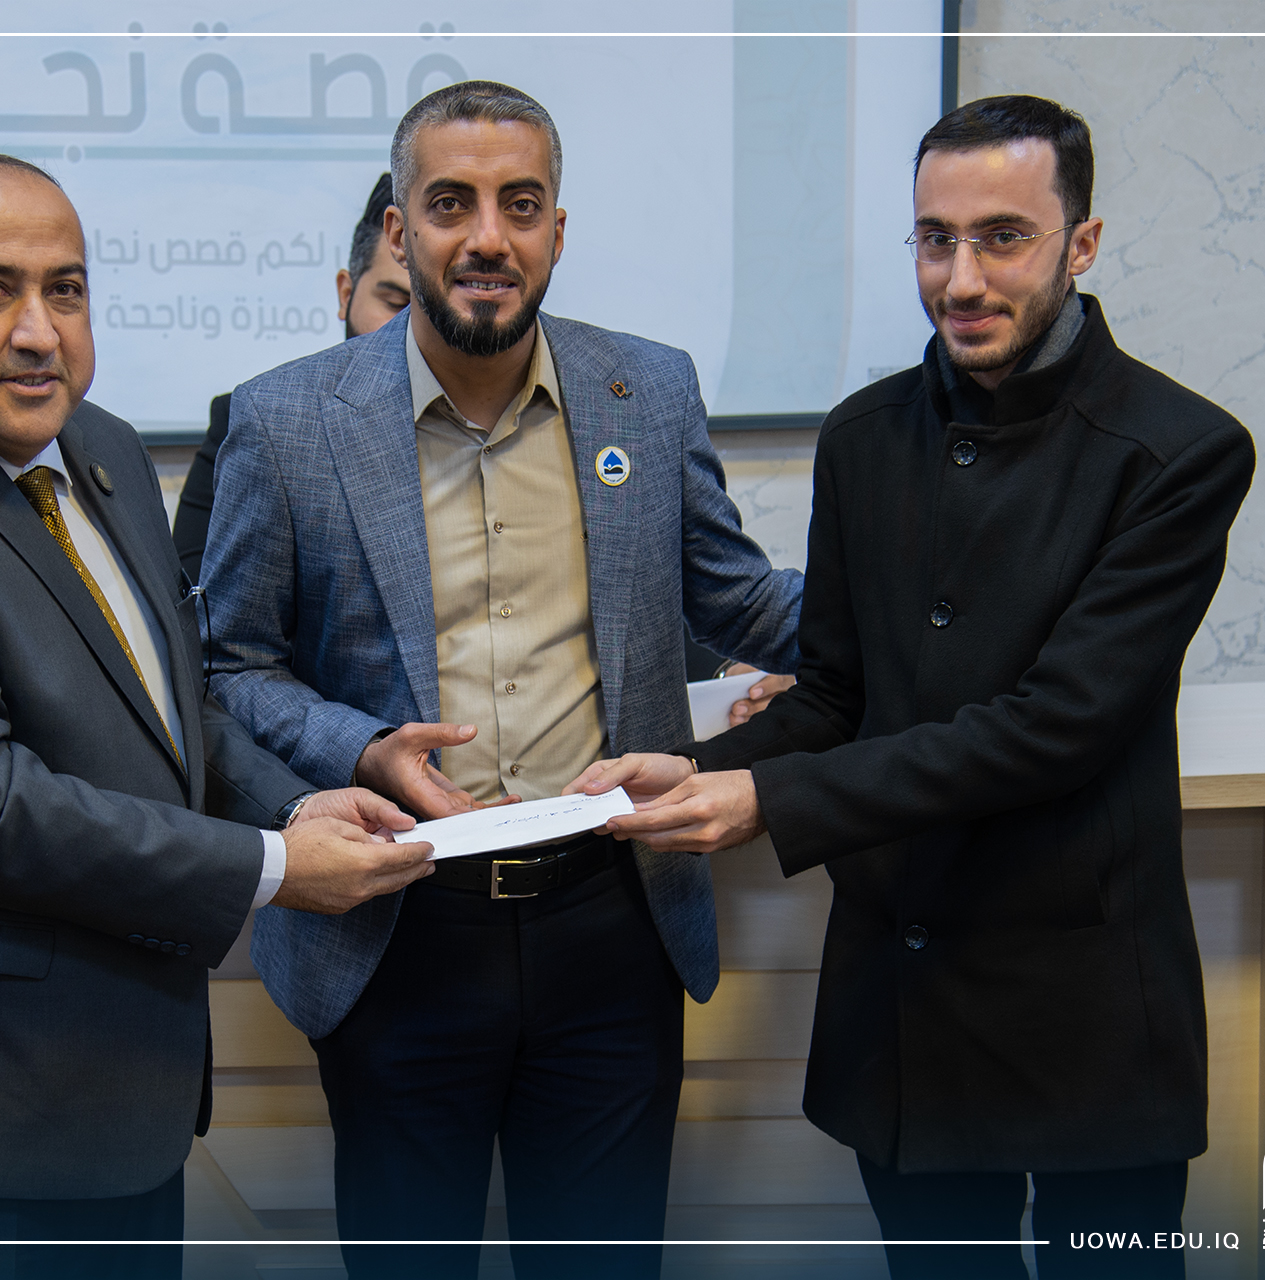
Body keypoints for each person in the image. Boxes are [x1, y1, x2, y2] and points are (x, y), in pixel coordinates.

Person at [574, 96, 1255, 1280]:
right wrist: (698, 772)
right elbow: (835, 695)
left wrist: (769, 802)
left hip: (1089, 1004)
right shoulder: (863, 435)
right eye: (936, 238)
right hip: (908, 996)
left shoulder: (1179, 451)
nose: (961, 277)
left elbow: (1057, 728)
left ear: (1082, 244)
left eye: (1004, 236)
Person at [0, 151, 434, 1280]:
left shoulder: (98, 446)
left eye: (64, 289)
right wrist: (272, 866)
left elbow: (166, 702)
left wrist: (296, 802)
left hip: (107, 1092)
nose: (37, 330)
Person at [202, 82, 805, 1279]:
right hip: (399, 923)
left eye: (520, 205)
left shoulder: (648, 389)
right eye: (451, 204)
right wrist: (360, 746)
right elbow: (230, 663)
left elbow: (737, 598)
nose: (488, 236)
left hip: (612, 921)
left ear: (557, 230)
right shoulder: (285, 420)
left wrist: (902, 614)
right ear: (400, 231)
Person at [171, 171, 409, 583]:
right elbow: (195, 594)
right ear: (346, 293)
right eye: (393, 302)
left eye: (425, 310)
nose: (407, 329)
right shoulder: (257, 423)